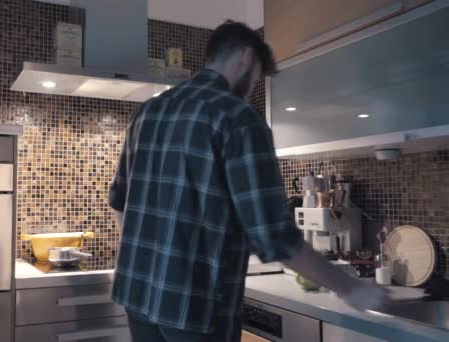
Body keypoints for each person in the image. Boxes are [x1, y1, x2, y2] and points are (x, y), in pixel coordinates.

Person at [108, 20, 389, 342]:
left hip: (137, 292)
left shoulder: (148, 112)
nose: (254, 85)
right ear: (247, 57)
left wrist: (150, 257)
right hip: (194, 304)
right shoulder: (238, 118)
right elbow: (274, 236)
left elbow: (119, 201)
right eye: (258, 77)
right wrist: (350, 287)